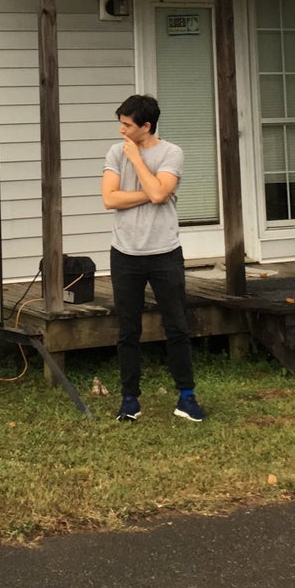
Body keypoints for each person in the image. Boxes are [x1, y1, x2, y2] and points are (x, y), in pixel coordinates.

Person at [101, 94, 205, 423]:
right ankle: (129, 400)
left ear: (146, 126)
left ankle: (186, 398)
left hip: (165, 253)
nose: (121, 131)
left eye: (127, 125)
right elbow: (110, 198)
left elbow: (163, 193)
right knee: (128, 331)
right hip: (125, 253)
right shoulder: (115, 152)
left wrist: (138, 162)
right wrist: (153, 192)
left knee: (176, 327)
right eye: (120, 123)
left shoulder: (171, 152)